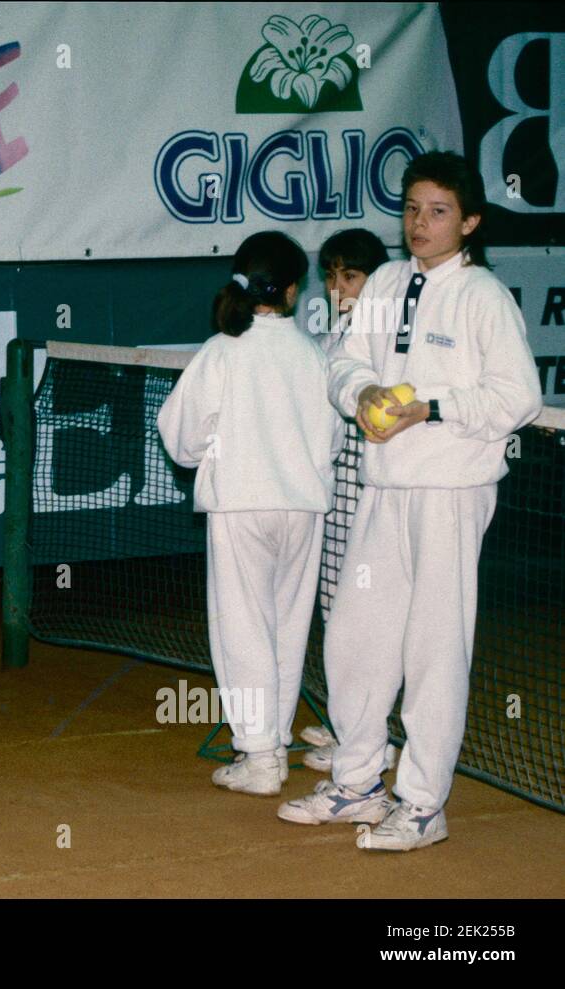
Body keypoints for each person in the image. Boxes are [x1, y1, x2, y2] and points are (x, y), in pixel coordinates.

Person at [277, 152, 542, 850]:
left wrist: (430, 407)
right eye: (412, 209)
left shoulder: (484, 296)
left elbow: (518, 395)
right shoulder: (388, 282)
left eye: (439, 212)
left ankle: (423, 804)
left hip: (451, 493)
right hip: (382, 489)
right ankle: (358, 782)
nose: (420, 223)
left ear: (470, 222)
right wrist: (362, 391)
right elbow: (343, 360)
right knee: (355, 637)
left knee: (434, 650)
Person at [157, 232, 345, 796]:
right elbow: (334, 441)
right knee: (287, 628)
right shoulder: (315, 355)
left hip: (241, 505)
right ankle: (272, 747)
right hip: (303, 510)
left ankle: (260, 757)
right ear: (292, 290)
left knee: (244, 628)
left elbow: (181, 439)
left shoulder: (221, 351)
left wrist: (216, 452)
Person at [299, 227, 397, 773]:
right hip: (334, 493)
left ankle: (372, 740)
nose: (339, 287)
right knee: (335, 608)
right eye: (331, 276)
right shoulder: (335, 335)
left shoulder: (386, 338)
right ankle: (350, 724)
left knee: (367, 617)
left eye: (351, 276)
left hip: (372, 492)